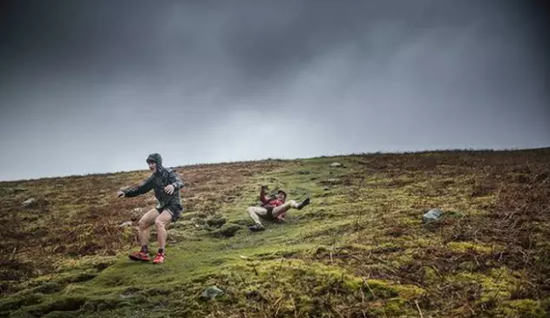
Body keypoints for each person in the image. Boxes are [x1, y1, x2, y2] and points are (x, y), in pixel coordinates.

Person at [117, 153, 184, 264]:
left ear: (158, 163)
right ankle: (144, 252)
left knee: (159, 222)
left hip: (173, 205)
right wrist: (125, 193)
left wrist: (173, 186)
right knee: (142, 223)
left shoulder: (169, 173)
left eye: (152, 163)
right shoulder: (153, 178)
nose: (150, 166)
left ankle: (161, 254)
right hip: (162, 206)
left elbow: (180, 182)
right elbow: (140, 189)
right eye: (149, 163)